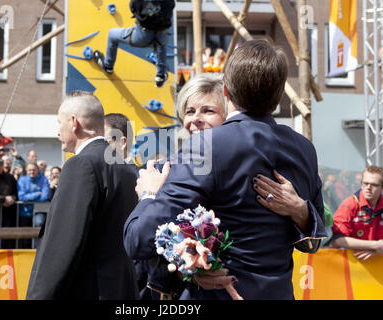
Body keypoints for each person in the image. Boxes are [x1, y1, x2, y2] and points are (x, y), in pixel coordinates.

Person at [123, 40, 327, 300]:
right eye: (190, 111)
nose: (196, 119)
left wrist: (149, 195)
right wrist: (190, 268)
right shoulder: (303, 148)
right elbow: (314, 240)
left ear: (227, 93)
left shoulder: (207, 145)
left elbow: (138, 240)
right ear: (279, 96)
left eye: (207, 110)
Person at [26, 91, 139, 299]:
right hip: (121, 289)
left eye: (59, 123)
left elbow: (63, 242)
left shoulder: (81, 164)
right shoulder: (123, 166)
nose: (57, 131)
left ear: (73, 122)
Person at [93, 0, 175, 88]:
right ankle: (160, 76)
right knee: (162, 46)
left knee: (112, 34)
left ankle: (108, 66)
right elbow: (171, 7)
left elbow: (133, 7)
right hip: (160, 36)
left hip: (141, 37)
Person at [332, 165, 383, 260]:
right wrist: (376, 246)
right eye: (365, 183)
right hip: (353, 266)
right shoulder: (349, 205)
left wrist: (375, 250)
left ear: (382, 188)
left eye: (374, 185)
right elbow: (339, 240)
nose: (368, 187)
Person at [17, 162, 50, 248]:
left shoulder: (44, 179)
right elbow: (21, 197)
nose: (32, 172)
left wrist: (29, 197)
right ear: (26, 171)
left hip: (39, 211)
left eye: (34, 170)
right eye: (29, 170)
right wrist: (37, 194)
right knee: (24, 237)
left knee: (38, 230)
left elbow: (44, 197)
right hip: (25, 212)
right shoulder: (22, 180)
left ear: (38, 170)